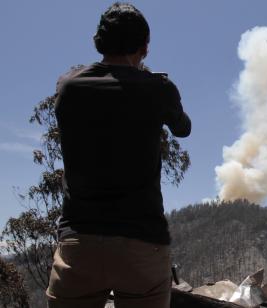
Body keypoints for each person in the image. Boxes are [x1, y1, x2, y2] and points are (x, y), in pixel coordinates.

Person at [46, 3, 191, 308]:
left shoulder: (68, 86)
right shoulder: (158, 90)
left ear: (98, 41)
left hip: (79, 241)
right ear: (145, 48)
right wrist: (151, 83)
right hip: (142, 242)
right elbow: (183, 128)